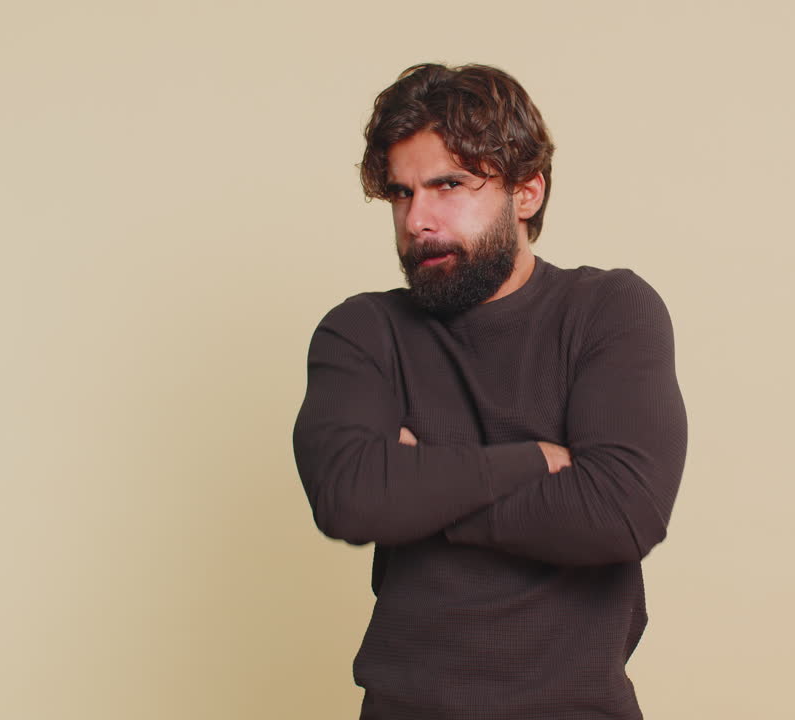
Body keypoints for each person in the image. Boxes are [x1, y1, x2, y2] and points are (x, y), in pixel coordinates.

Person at [293, 62, 688, 720]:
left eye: (448, 185)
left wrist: (420, 483)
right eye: (401, 193)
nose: (418, 218)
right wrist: (531, 460)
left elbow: (623, 512)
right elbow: (349, 497)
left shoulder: (607, 311)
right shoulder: (363, 331)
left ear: (527, 192)